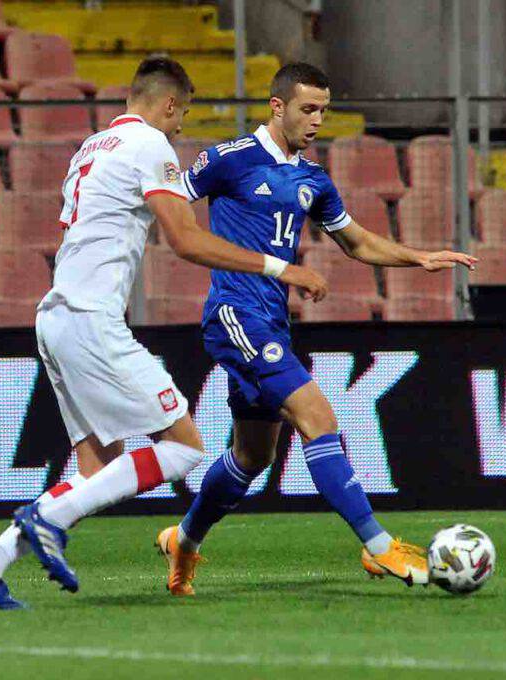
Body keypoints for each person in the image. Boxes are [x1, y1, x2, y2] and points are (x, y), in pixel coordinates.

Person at [0, 57, 328, 608]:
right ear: (169, 105)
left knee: (97, 469)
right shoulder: (151, 145)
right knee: (184, 448)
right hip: (91, 318)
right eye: (183, 115)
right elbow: (186, 240)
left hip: (55, 317)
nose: (180, 128)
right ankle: (43, 518)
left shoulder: (92, 147)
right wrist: (280, 267)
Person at [155, 62, 477, 596]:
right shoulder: (228, 160)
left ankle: (183, 541)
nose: (317, 120)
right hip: (235, 314)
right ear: (277, 106)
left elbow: (357, 242)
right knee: (317, 415)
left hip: (272, 321)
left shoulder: (313, 179)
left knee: (253, 455)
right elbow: (167, 209)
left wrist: (418, 258)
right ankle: (379, 547)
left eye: (324, 110)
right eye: (308, 108)